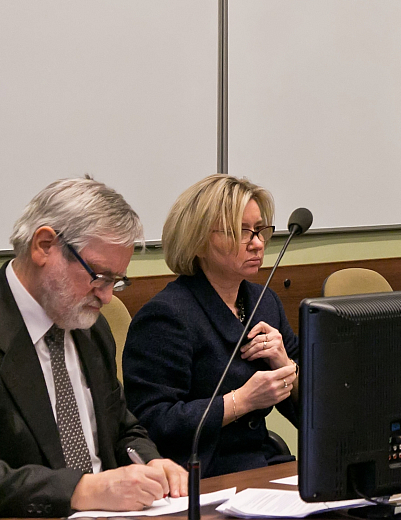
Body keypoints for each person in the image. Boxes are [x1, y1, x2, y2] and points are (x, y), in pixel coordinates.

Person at [0, 178, 187, 519]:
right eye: (98, 275)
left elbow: (122, 428)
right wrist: (81, 490)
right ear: (44, 246)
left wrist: (150, 462)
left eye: (116, 281)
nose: (106, 296)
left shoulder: (91, 328)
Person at [122, 175, 298, 477]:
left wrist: (286, 366)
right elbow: (152, 423)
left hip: (263, 464)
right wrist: (241, 401)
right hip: (201, 475)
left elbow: (313, 415)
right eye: (242, 232)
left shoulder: (264, 301)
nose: (258, 244)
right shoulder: (166, 315)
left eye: (260, 231)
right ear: (199, 241)